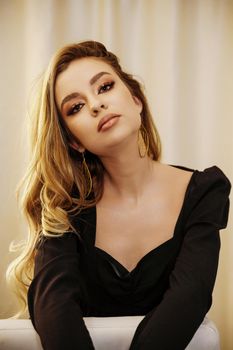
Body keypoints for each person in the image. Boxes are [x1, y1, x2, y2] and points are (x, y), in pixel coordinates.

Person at [7, 40, 231, 350]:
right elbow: (53, 306)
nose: (96, 105)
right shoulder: (64, 207)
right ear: (75, 142)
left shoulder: (204, 191)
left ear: (136, 100)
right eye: (76, 107)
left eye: (105, 87)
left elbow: (191, 296)